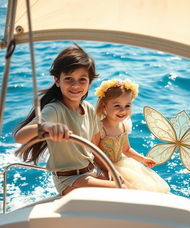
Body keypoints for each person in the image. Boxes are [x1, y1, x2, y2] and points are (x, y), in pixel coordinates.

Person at [13, 44, 123, 195]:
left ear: (90, 83)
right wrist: (47, 126)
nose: (75, 85)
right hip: (70, 179)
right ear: (57, 81)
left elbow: (93, 147)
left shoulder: (89, 109)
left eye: (82, 80)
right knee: (123, 191)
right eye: (69, 79)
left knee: (126, 182)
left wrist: (108, 169)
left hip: (91, 171)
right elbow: (20, 137)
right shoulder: (54, 110)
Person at [92, 78, 170, 193]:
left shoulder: (123, 125)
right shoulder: (99, 127)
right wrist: (110, 169)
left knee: (145, 185)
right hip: (103, 166)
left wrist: (142, 159)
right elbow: (94, 152)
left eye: (127, 106)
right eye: (117, 106)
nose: (123, 110)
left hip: (121, 163)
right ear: (104, 106)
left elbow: (126, 149)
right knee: (123, 187)